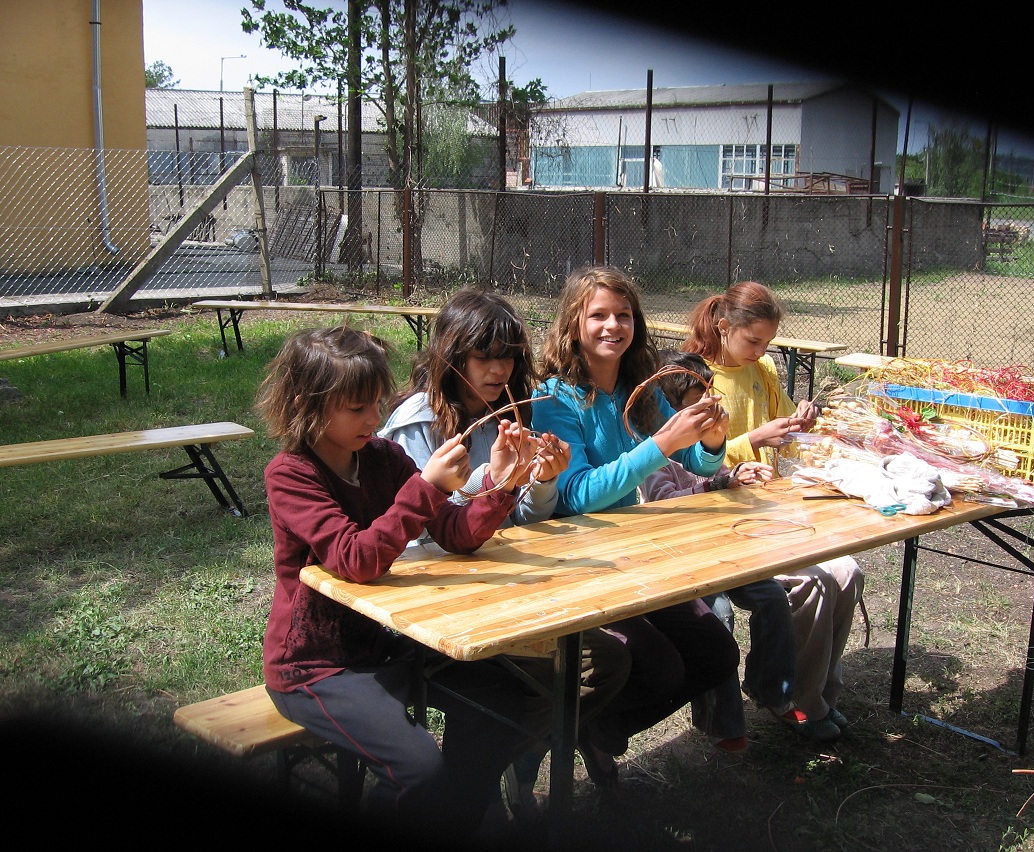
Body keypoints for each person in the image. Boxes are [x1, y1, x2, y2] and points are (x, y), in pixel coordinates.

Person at [255, 324, 550, 847]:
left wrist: (501, 482)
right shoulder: (291, 474)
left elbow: (454, 534)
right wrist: (427, 486)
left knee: (508, 701)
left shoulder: (383, 459)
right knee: (419, 770)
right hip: (315, 667)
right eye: (357, 408)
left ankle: (457, 818)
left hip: (387, 645)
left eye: (376, 403)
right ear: (307, 405)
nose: (374, 419)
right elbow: (355, 559)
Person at [379, 287, 632, 819]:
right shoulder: (418, 424)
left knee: (603, 661)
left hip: (501, 587)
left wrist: (543, 481)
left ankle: (498, 764)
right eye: (484, 356)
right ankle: (474, 787)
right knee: (526, 685)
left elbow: (524, 520)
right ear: (452, 356)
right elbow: (426, 536)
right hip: (431, 603)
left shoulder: (507, 415)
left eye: (509, 356)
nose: (498, 369)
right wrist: (491, 480)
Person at [530, 264, 740, 785]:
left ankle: (598, 730)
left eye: (623, 315)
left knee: (716, 651)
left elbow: (696, 461)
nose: (613, 326)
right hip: (576, 564)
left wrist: (712, 440)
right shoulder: (556, 398)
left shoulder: (639, 388)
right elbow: (576, 495)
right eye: (598, 315)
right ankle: (574, 732)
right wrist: (661, 444)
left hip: (631, 556)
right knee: (661, 668)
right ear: (573, 323)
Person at [683, 280, 865, 739]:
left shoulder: (760, 369)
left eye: (767, 342)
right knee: (813, 583)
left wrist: (798, 423)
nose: (761, 351)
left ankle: (817, 692)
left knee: (847, 573)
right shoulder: (694, 378)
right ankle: (791, 697)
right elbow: (686, 461)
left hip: (769, 508)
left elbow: (782, 427)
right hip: (720, 520)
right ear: (723, 327)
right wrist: (754, 440)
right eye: (753, 340)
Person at [640, 350, 799, 751]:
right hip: (677, 556)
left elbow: (718, 475)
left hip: (718, 548)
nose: (710, 405)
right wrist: (714, 485)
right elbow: (663, 501)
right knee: (718, 613)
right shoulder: (655, 449)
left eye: (711, 395)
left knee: (772, 596)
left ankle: (772, 689)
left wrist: (738, 474)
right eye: (699, 400)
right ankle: (722, 722)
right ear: (671, 407)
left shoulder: (708, 440)